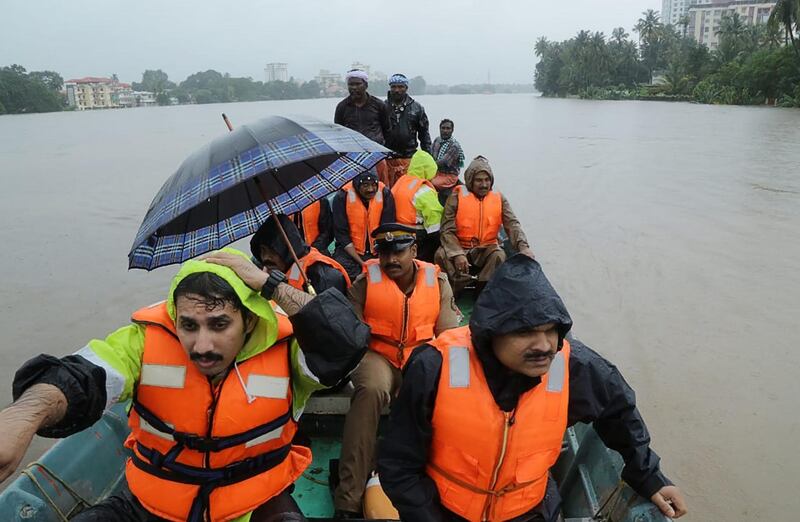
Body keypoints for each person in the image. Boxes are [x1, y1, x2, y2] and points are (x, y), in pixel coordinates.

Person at [0, 248, 370, 522]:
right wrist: (24, 417)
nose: (202, 345)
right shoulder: (144, 342)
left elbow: (345, 344)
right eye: (189, 326)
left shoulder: (287, 351)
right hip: (152, 504)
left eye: (220, 324)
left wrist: (267, 283)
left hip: (254, 504)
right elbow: (82, 376)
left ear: (249, 322)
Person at [377, 255, 688, 522]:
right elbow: (399, 464)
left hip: (530, 511)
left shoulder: (575, 367)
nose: (543, 346)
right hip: (445, 511)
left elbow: (619, 413)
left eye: (551, 330)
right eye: (524, 331)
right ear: (491, 332)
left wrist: (650, 477)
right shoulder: (434, 367)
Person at [334, 223, 461, 519]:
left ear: (414, 251)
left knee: (438, 394)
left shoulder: (438, 281)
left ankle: (441, 488)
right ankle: (348, 499)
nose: (391, 260)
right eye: (385, 253)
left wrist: (420, 374)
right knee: (373, 389)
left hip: (421, 356)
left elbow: (447, 337)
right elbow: (352, 333)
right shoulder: (364, 282)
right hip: (377, 355)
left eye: (399, 252)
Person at [435, 155, 534, 296]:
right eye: (479, 180)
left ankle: (483, 294)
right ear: (470, 181)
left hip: (487, 249)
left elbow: (512, 224)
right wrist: (457, 253)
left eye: (487, 180)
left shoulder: (499, 198)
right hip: (461, 247)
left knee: (499, 255)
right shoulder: (455, 197)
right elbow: (446, 230)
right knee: (440, 254)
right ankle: (452, 294)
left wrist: (523, 247)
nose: (484, 184)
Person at [250, 214, 350, 295]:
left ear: (287, 248)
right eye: (262, 250)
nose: (265, 257)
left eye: (272, 250)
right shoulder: (273, 276)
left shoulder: (324, 277)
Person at [332, 169, 396, 281]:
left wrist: (378, 258)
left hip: (377, 250)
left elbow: (387, 227)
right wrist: (362, 263)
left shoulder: (385, 193)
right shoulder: (342, 196)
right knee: (340, 276)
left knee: (383, 276)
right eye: (365, 185)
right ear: (357, 185)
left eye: (373, 185)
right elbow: (341, 234)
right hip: (350, 252)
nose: (370, 189)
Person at [334, 69, 391, 183]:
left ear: (366, 85)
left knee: (381, 188)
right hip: (352, 156)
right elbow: (337, 133)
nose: (354, 87)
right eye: (351, 84)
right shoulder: (342, 107)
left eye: (358, 84)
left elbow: (387, 130)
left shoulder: (379, 105)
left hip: (376, 155)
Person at [390, 150, 443, 262]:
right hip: (418, 237)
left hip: (396, 234)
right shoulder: (424, 190)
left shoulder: (400, 182)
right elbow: (434, 222)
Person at [383, 73, 432, 188]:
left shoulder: (417, 108)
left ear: (406, 88)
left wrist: (428, 157)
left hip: (409, 158)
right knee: (388, 191)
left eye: (400, 87)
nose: (397, 90)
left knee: (408, 191)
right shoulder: (382, 107)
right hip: (387, 158)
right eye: (394, 87)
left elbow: (424, 135)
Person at [430, 118, 465, 205]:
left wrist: (429, 165)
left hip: (449, 175)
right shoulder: (437, 140)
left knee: (430, 183)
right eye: (443, 128)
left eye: (448, 128)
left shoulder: (454, 146)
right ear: (440, 129)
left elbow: (443, 162)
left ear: (452, 130)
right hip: (437, 172)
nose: (445, 131)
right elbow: (430, 155)